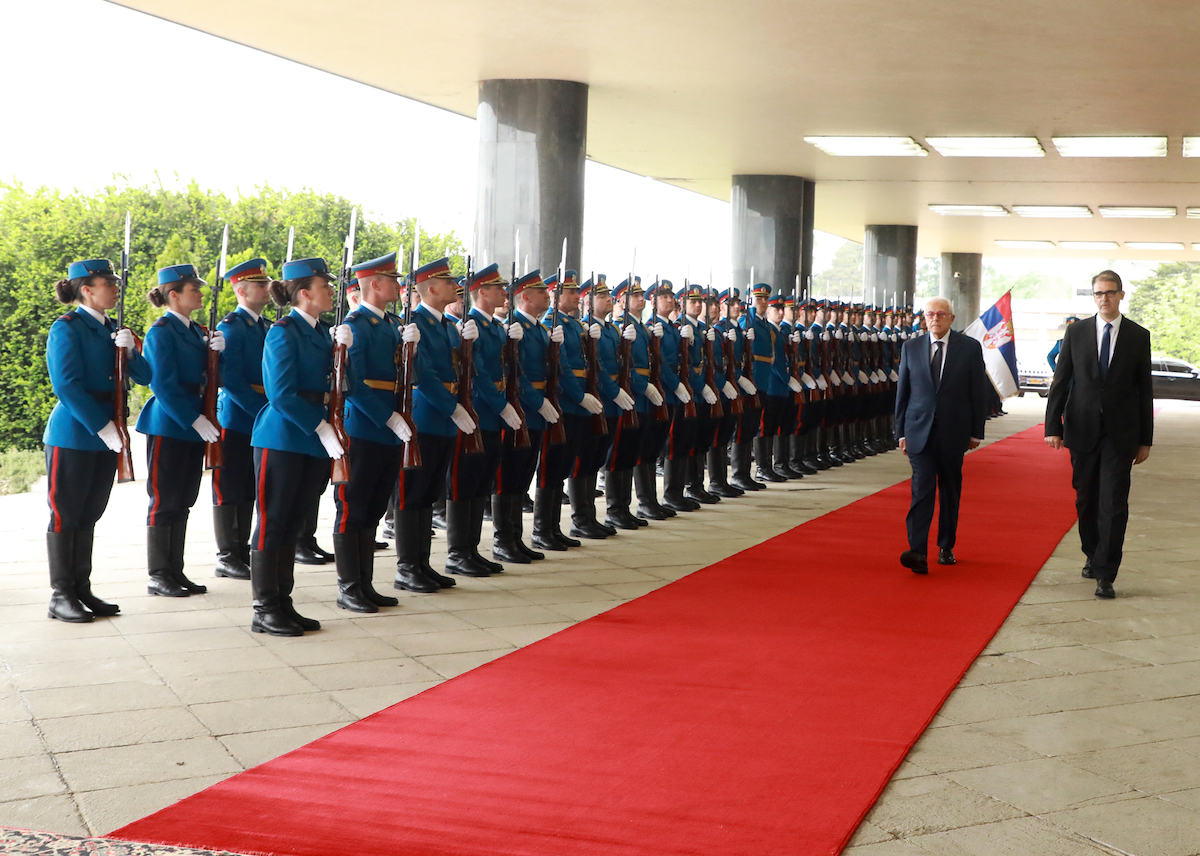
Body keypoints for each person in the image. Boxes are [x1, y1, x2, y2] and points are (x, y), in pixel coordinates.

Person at [43, 259, 152, 621]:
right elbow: (67, 386)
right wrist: (102, 427)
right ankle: (61, 595)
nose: (115, 287)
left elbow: (145, 375)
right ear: (86, 289)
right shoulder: (67, 328)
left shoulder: (116, 330)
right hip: (75, 433)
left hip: (107, 430)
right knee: (66, 513)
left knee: (89, 512)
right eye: (109, 282)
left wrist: (132, 350)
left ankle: (81, 588)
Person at [249, 257, 353, 635]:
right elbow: (281, 394)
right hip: (283, 437)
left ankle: (284, 602)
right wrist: (320, 426)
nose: (331, 292)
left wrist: (345, 353)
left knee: (293, 524)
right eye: (325, 287)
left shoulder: (323, 332)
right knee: (273, 522)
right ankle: (265, 609)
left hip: (312, 438)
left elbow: (344, 387)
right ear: (306, 293)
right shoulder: (284, 331)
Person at [1045, 271, 1153, 599]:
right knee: (1086, 498)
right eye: (1097, 293)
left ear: (1121, 295)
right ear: (1093, 297)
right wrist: (1053, 427)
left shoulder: (1137, 335)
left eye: (1109, 293)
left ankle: (1106, 573)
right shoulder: (1076, 333)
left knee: (1113, 502)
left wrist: (1145, 439)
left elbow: (1144, 389)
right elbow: (1061, 381)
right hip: (1082, 429)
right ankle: (1092, 552)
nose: (1103, 298)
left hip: (1121, 433)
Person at [137, 264, 226, 598]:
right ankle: (159, 574)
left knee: (183, 499)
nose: (200, 294)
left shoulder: (195, 331)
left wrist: (218, 353)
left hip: (193, 422)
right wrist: (193, 419)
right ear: (173, 295)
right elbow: (163, 384)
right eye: (193, 289)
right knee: (164, 500)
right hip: (171, 423)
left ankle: (176, 570)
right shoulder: (161, 331)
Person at [334, 252, 415, 611]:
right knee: (352, 507)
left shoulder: (389, 324)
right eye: (393, 280)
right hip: (365, 426)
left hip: (386, 427)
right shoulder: (357, 325)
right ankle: (348, 586)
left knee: (374, 507)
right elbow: (355, 383)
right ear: (376, 285)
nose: (399, 286)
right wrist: (388, 417)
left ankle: (364, 584)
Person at [393, 257, 479, 591]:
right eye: (448, 281)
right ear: (430, 288)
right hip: (426, 416)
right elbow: (423, 374)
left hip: (443, 420)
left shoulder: (446, 325)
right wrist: (452, 408)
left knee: (429, 493)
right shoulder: (416, 323)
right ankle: (406, 567)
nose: (456, 286)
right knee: (412, 492)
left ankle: (422, 563)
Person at [895, 296, 988, 574]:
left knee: (949, 490)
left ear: (951, 319)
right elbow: (904, 392)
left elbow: (977, 392)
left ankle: (946, 545)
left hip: (953, 432)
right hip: (918, 431)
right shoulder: (911, 347)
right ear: (924, 318)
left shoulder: (969, 348)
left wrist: (976, 432)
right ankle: (918, 551)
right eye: (930, 314)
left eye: (941, 314)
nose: (935, 318)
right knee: (921, 490)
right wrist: (900, 432)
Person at [211, 258, 273, 582]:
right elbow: (230, 378)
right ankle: (227, 555)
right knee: (230, 487)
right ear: (241, 289)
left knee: (249, 487)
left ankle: (241, 551)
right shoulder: (233, 327)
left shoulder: (263, 326)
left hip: (258, 413)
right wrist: (262, 410)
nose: (267, 289)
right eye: (260, 285)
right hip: (238, 417)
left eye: (265, 283)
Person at [492, 270, 560, 562]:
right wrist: (537, 401)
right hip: (520, 410)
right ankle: (502, 540)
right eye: (541, 291)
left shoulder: (537, 329)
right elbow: (514, 375)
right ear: (526, 297)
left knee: (522, 476)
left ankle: (515, 538)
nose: (547, 295)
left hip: (537, 409)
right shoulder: (513, 327)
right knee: (508, 476)